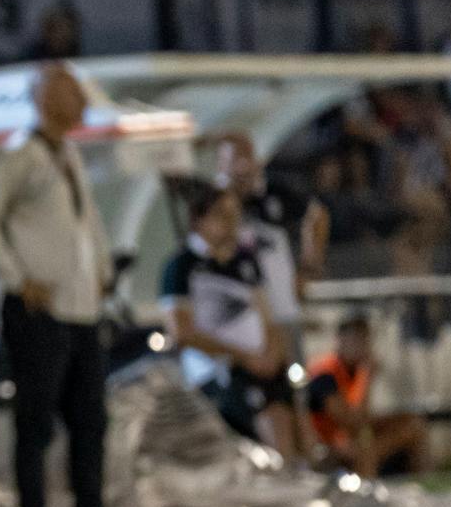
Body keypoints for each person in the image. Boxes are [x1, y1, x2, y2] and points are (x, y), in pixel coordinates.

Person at [0, 64, 121, 507]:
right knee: (35, 422)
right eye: (71, 93)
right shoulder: (22, 156)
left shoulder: (67, 154)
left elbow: (85, 223)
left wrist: (101, 270)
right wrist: (17, 277)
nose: (80, 101)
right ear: (48, 100)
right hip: (40, 311)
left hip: (80, 310)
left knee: (89, 420)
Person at [216, 131, 328, 460]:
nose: (242, 166)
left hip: (283, 315)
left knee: (295, 394)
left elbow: (317, 215)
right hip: (245, 326)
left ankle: (304, 464)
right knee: (259, 400)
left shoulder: (273, 195)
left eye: (247, 157)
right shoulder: (217, 205)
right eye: (234, 158)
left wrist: (308, 269)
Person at [161, 186, 289, 449]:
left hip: (261, 367)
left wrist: (272, 356)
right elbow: (182, 332)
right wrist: (243, 357)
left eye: (235, 214)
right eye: (221, 214)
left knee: (284, 425)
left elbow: (268, 317)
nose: (231, 223)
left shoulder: (246, 262)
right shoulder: (182, 266)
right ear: (199, 220)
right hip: (219, 373)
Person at [305, 316, 430, 478]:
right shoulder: (325, 374)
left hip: (349, 437)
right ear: (340, 340)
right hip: (325, 445)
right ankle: (366, 493)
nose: (362, 347)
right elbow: (351, 423)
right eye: (355, 340)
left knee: (412, 424)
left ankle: (422, 484)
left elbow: (362, 418)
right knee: (365, 450)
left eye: (364, 340)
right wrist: (367, 378)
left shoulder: (353, 370)